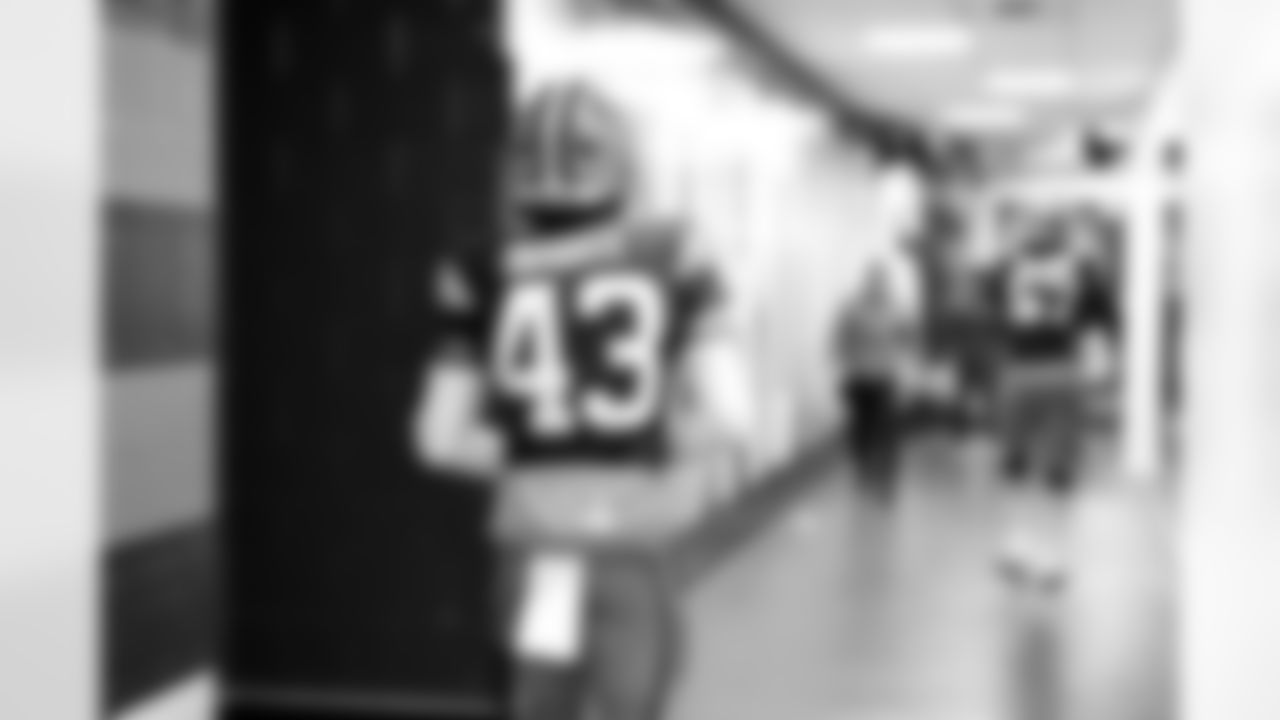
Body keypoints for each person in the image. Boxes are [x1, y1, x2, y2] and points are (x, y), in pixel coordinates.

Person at [413, 78, 752, 720]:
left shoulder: (477, 269)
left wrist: (529, 446)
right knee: (634, 706)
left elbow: (437, 439)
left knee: (541, 705)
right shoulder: (674, 253)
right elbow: (731, 416)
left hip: (536, 551)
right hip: (627, 551)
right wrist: (648, 440)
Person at [990, 212, 1117, 587]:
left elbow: (985, 291)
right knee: (1058, 468)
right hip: (1062, 370)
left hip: (1020, 371)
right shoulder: (1083, 270)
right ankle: (1051, 555)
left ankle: (1018, 545)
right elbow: (1107, 321)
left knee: (1016, 461)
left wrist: (1009, 251)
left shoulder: (1008, 268)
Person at [834, 264, 912, 497]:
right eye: (873, 282)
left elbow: (907, 338)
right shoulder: (851, 308)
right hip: (858, 377)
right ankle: (864, 469)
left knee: (887, 426)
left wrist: (906, 365)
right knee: (862, 426)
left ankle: (886, 475)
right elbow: (840, 338)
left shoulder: (897, 308)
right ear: (866, 283)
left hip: (886, 376)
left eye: (881, 282)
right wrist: (847, 362)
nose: (877, 286)